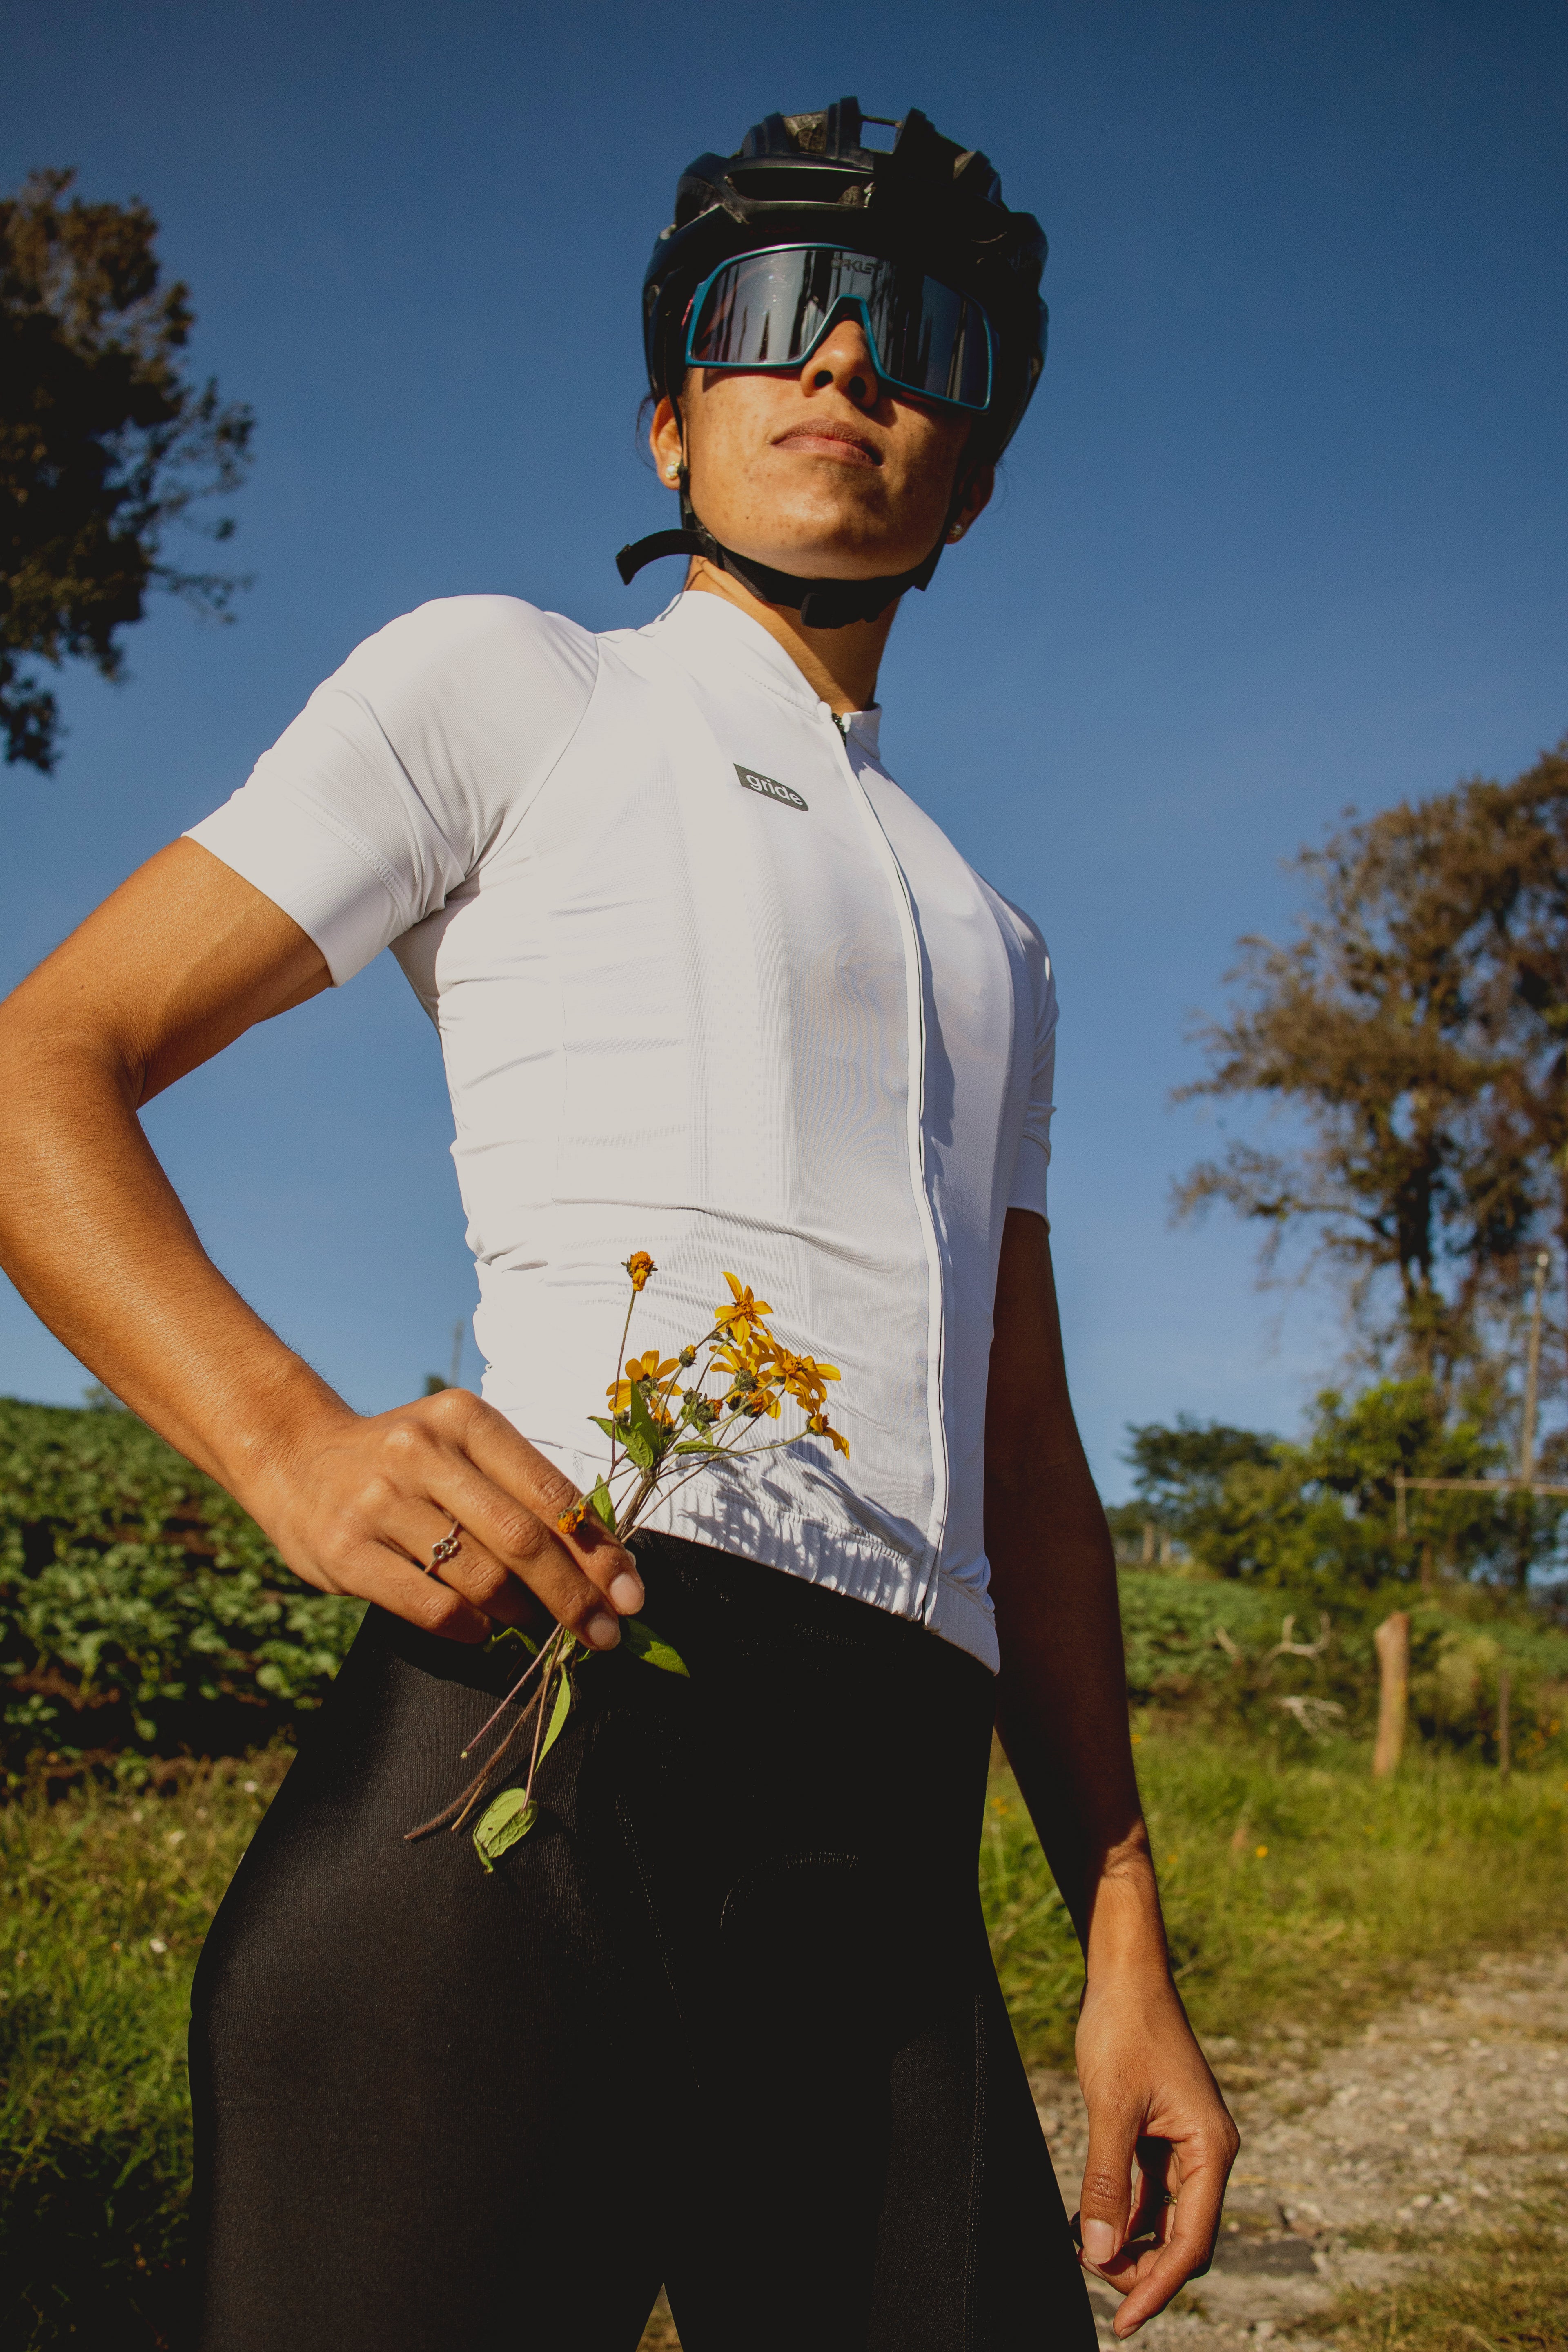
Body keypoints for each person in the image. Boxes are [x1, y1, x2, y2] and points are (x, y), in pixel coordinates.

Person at [0, 98, 1236, 2351]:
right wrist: (285, 1442)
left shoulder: (1006, 943)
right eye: (779, 314)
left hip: (888, 1855)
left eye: (926, 339)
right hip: (536, 1757)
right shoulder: (518, 684)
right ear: (672, 423)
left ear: (969, 480)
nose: (845, 361)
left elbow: (1027, 1449)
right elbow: (41, 1062)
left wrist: (1123, 1932)